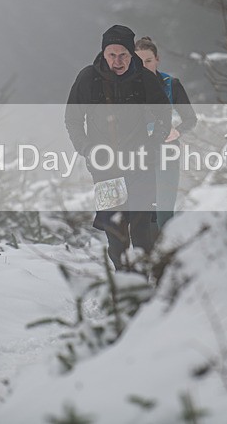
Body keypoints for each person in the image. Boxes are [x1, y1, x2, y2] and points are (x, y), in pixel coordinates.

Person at [65, 25, 172, 270]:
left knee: (142, 230)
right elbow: (72, 119)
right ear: (103, 53)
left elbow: (164, 115)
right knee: (115, 232)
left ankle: (142, 284)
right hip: (105, 167)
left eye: (123, 54)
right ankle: (125, 284)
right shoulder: (87, 78)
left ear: (131, 53)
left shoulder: (144, 78)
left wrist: (155, 143)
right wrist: (86, 148)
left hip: (141, 164)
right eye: (112, 54)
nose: (117, 61)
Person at [134, 36, 198, 229]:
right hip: (136, 152)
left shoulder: (171, 84)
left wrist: (177, 132)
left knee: (164, 207)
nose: (144, 66)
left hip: (166, 150)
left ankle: (165, 250)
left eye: (148, 61)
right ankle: (143, 253)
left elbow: (190, 119)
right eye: (139, 62)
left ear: (157, 60)